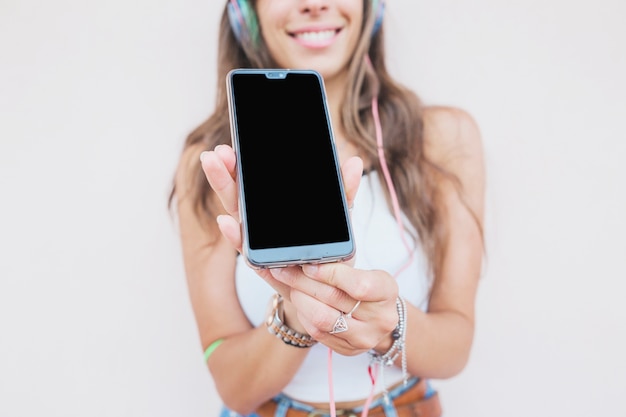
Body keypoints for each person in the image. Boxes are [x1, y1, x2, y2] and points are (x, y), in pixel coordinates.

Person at [169, 1, 485, 416]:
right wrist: (299, 313)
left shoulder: (445, 137)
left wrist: (388, 323)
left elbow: (454, 349)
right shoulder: (213, 163)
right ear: (246, 13)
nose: (315, 3)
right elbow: (234, 388)